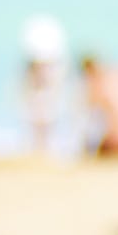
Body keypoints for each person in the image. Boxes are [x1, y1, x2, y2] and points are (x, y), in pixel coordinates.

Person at [20, 14, 68, 157]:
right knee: (41, 120)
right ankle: (41, 149)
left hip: (43, 95)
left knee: (43, 120)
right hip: (41, 95)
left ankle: (41, 149)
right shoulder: (50, 64)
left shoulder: (41, 65)